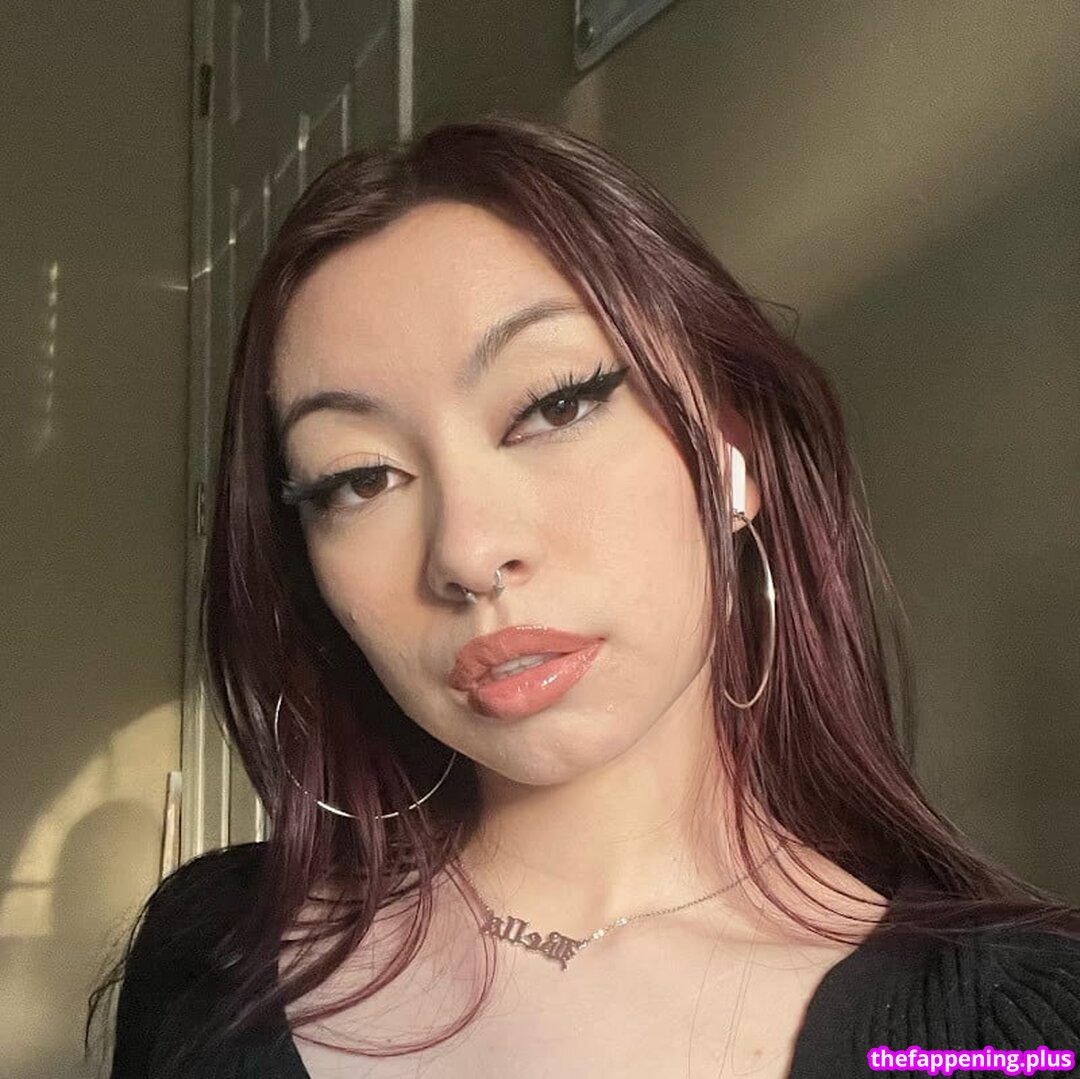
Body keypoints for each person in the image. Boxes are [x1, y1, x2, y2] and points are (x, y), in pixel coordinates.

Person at [91, 115, 1080, 1078]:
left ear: (733, 452)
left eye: (555, 403)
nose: (468, 554)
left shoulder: (1006, 1037)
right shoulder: (215, 964)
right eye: (358, 477)